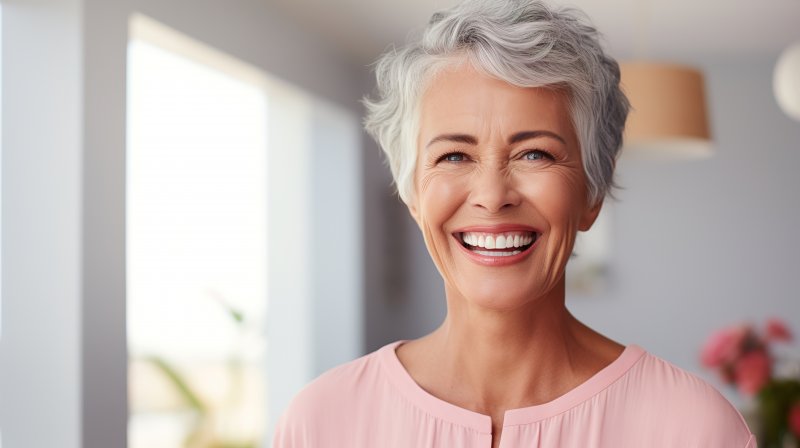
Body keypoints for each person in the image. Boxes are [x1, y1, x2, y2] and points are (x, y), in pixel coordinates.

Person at [273, 0, 757, 446]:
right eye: (455, 155)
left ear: (592, 192)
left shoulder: (692, 428)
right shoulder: (322, 421)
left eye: (534, 153)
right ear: (412, 193)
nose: (492, 196)